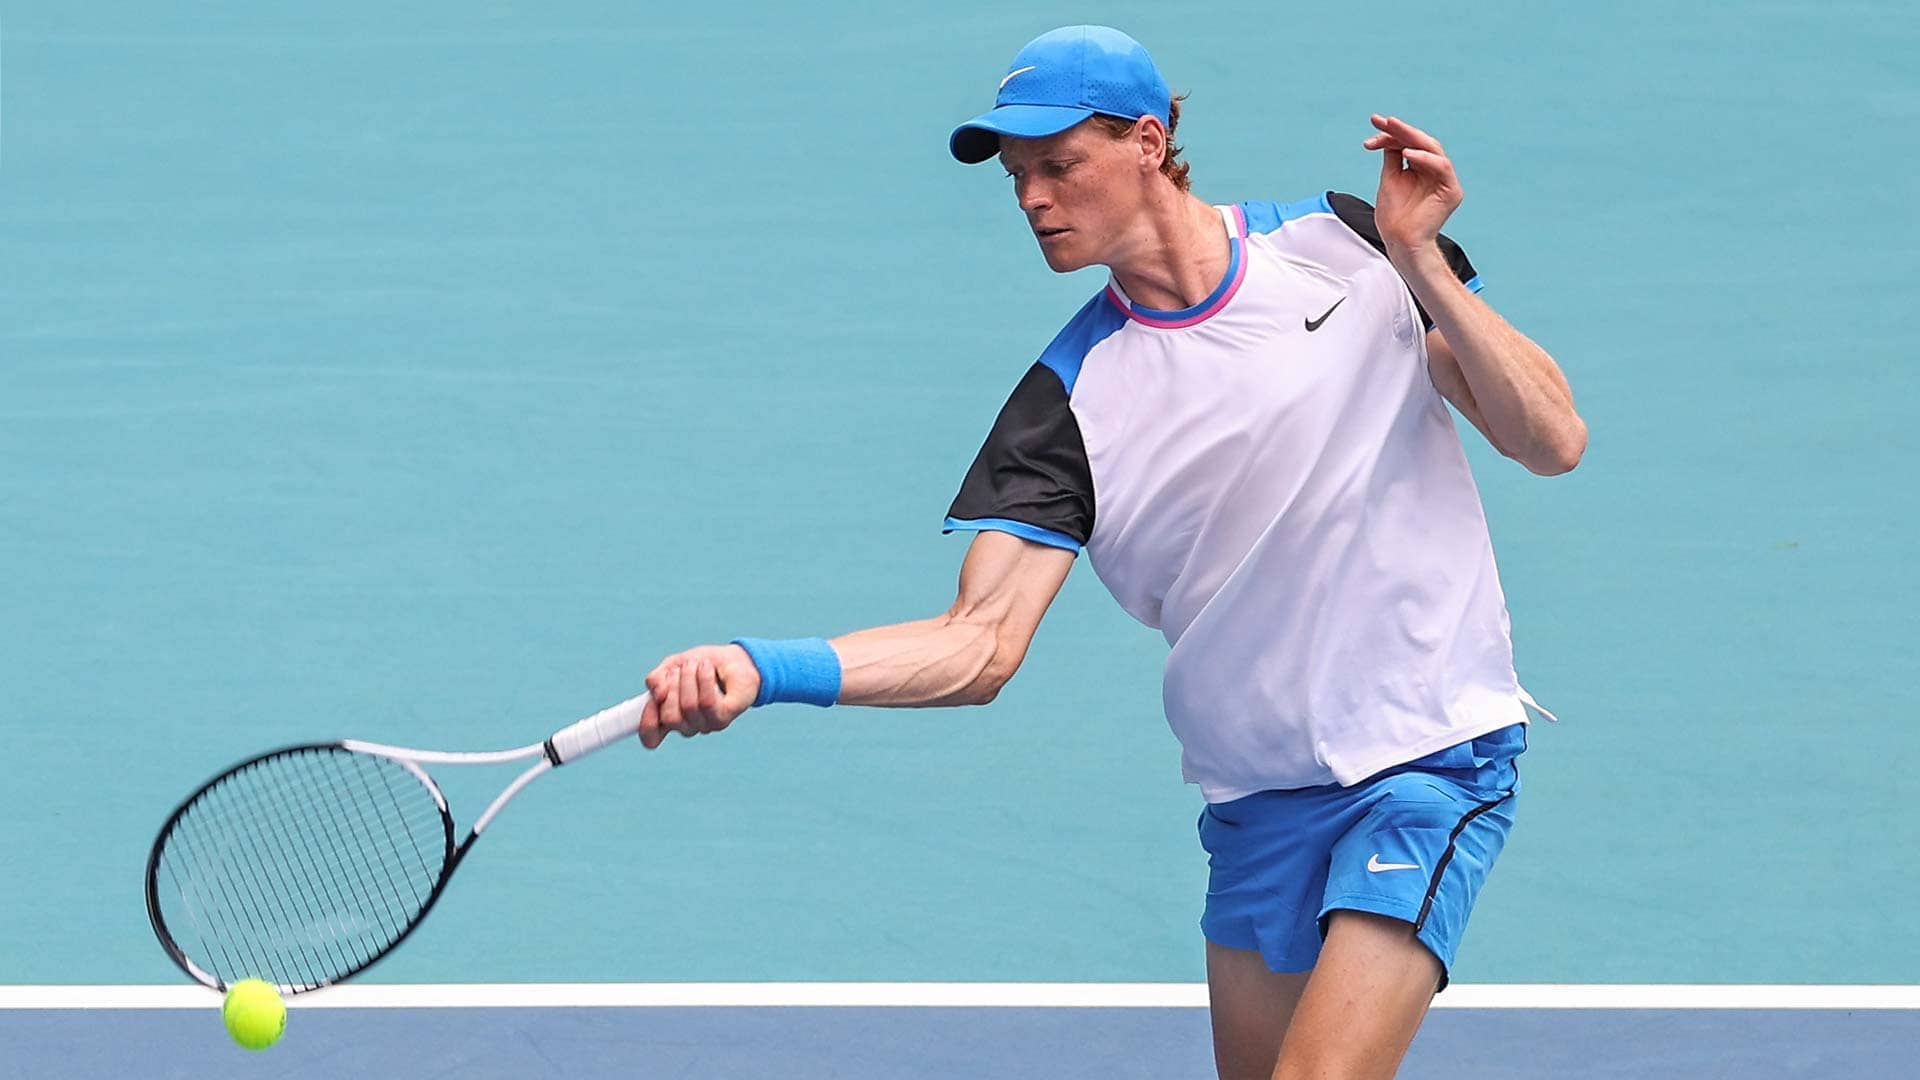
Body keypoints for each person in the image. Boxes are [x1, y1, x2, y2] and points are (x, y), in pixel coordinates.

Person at [633, 24, 1585, 1080]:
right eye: (1016, 176)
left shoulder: (1347, 248)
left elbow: (1551, 440)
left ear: (1147, 140)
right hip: (1257, 796)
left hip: (1429, 752)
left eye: (1057, 165)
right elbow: (978, 645)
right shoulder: (1067, 405)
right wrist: (766, 669)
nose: (1032, 198)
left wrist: (1421, 263)